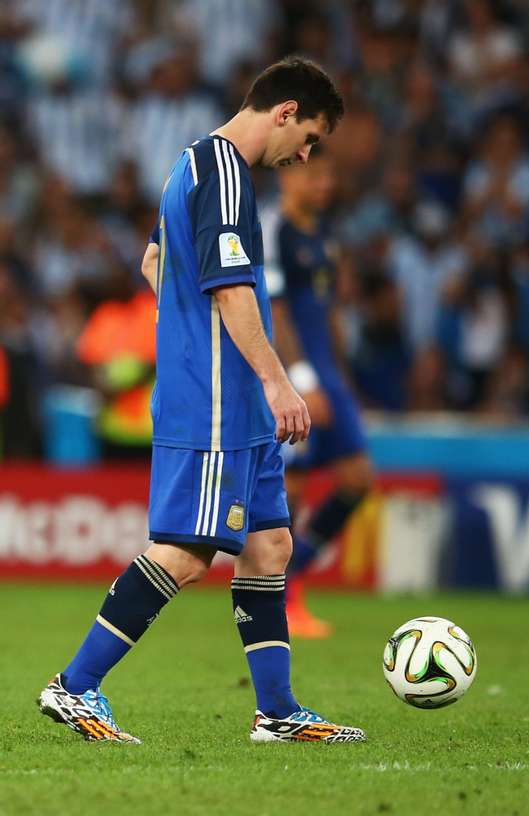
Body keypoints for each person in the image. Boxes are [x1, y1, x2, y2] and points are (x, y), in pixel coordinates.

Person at [38, 57, 366, 744]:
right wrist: (277, 380)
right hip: (218, 398)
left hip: (234, 397)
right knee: (187, 552)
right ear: (283, 112)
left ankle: (275, 711)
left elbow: (154, 263)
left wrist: (190, 327)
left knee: (270, 544)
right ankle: (74, 686)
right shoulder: (223, 175)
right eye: (307, 137)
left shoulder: (195, 166)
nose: (303, 155)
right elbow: (230, 288)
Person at [262, 150, 374, 638]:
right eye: (314, 173)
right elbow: (277, 309)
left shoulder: (325, 237)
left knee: (358, 479)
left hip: (327, 375)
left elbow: (328, 314)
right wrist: (301, 377)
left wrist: (340, 379)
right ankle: (282, 599)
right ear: (287, 177)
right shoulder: (273, 229)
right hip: (295, 375)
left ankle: (292, 574)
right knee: (295, 489)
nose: (324, 183)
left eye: (330, 174)